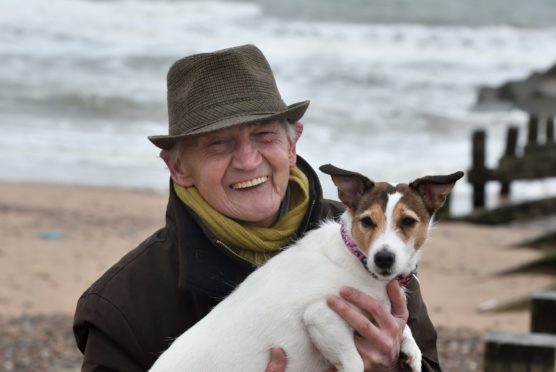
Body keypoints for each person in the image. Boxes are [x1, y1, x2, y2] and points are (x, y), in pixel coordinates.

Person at [73, 44, 441, 371]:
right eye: (218, 144)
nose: (249, 161)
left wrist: (394, 367)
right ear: (178, 167)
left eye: (264, 135)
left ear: (292, 143)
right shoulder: (123, 305)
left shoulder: (374, 243)